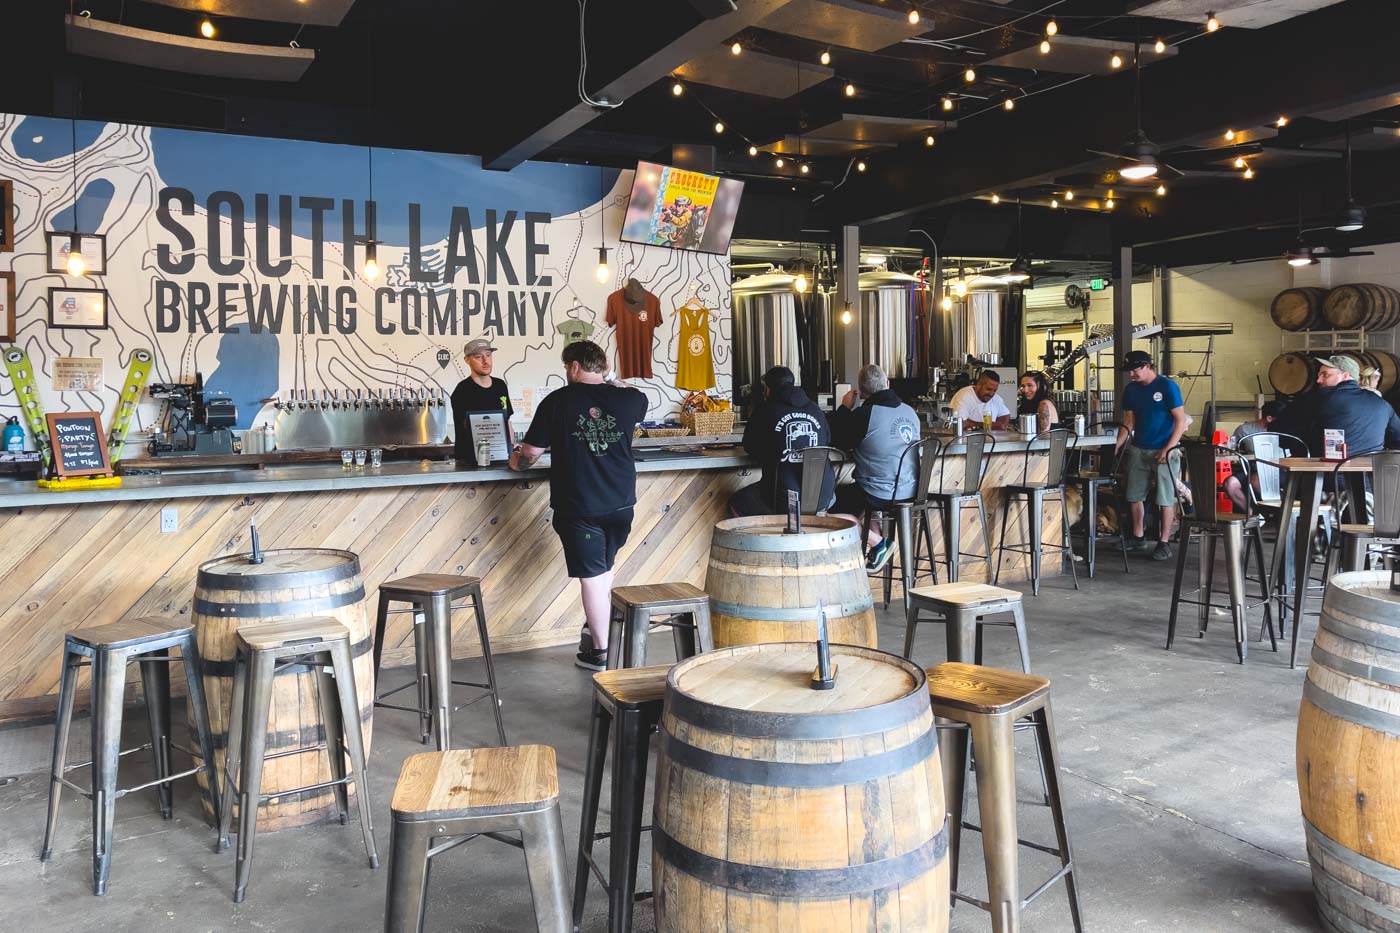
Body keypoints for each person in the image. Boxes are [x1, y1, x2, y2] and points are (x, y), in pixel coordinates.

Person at [509, 340, 648, 671]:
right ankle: (598, 632)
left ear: (572, 367)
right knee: (604, 568)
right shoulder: (632, 400)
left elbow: (529, 455)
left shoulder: (557, 401)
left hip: (581, 505)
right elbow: (630, 391)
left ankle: (601, 651)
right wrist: (613, 378)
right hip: (621, 504)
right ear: (601, 366)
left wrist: (515, 461)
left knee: (593, 576)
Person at [830, 364, 921, 571]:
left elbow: (838, 440)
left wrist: (845, 408)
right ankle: (877, 548)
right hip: (911, 491)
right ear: (887, 383)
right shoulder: (910, 412)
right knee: (862, 504)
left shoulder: (865, 414)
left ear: (861, 392)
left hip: (878, 493)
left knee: (825, 508)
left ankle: (878, 543)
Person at [730, 366, 834, 517]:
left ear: (768, 389)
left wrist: (772, 451)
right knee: (810, 508)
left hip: (782, 498)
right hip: (822, 494)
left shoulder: (764, 410)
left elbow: (750, 446)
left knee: (737, 503)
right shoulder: (815, 409)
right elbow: (827, 441)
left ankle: (770, 541)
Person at [1115, 350, 1189, 560]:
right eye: (1129, 370)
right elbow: (1129, 421)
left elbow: (1180, 421)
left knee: (1165, 497)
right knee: (1134, 495)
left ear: (1146, 366)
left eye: (1134, 370)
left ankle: (1163, 542)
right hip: (1139, 448)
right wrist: (1118, 445)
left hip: (1164, 448)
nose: (1131, 374)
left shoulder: (1167, 386)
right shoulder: (1131, 390)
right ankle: (1138, 537)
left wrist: (1168, 448)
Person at [1273, 354, 1400, 456]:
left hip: (1322, 479)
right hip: (1369, 481)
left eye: (1325, 375)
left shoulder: (1318, 399)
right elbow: (1397, 438)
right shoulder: (1381, 403)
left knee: (1260, 479)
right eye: (1319, 375)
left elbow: (1280, 434)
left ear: (1345, 375)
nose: (1318, 380)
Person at [450, 338, 513, 463]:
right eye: (478, 357)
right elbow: (466, 427)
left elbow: (507, 421)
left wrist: (510, 447)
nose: (485, 361)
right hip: (469, 461)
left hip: (501, 456)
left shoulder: (500, 386)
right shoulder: (462, 390)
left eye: (488, 355)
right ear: (467, 360)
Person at [1224, 400, 1285, 513]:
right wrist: (1224, 446)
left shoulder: (1286, 430)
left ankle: (1282, 512)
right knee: (1230, 484)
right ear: (1269, 418)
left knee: (1256, 479)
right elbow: (1231, 447)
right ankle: (1252, 515)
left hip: (1281, 469)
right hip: (1253, 468)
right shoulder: (1244, 430)